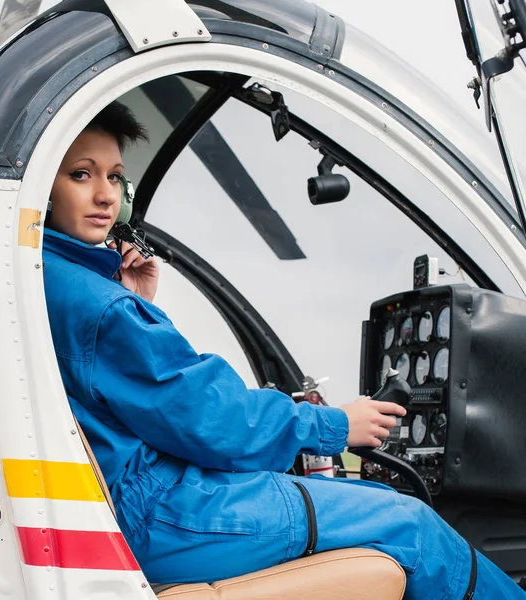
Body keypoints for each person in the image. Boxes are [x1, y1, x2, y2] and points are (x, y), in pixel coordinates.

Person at [42, 101, 525, 599]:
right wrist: (336, 426)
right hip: (161, 511)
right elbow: (211, 418)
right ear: (43, 189)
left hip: (142, 503)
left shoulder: (58, 283)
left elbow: (146, 400)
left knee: (371, 499)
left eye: (116, 177)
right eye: (82, 175)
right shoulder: (102, 308)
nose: (105, 195)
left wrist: (136, 300)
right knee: (409, 523)